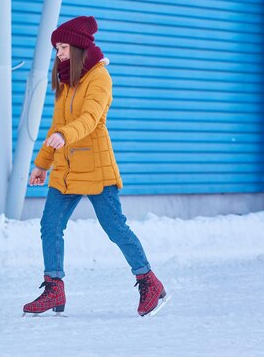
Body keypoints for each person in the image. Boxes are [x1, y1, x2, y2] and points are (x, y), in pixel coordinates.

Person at [22, 16, 167, 317]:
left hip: (95, 166)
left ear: (76, 47)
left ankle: (148, 281)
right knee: (50, 224)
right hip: (65, 168)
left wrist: (65, 135)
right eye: (56, 48)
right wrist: (42, 164)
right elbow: (56, 126)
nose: (58, 53)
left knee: (114, 227)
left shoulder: (100, 78)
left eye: (62, 47)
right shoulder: (66, 80)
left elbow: (89, 120)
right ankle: (54, 287)